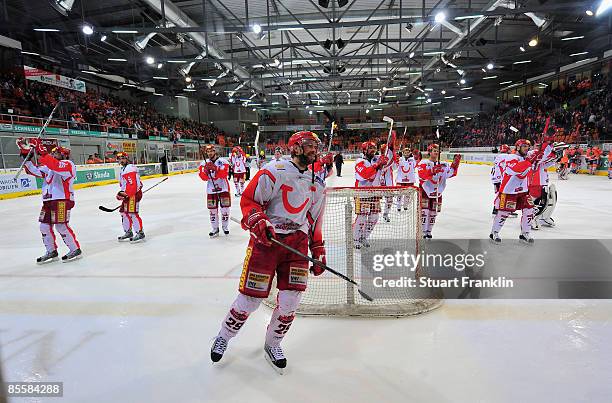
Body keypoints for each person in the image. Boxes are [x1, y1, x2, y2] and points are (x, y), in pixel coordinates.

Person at [210, 131, 326, 373]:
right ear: (294, 148)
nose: (314, 150)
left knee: (291, 301)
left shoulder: (318, 182)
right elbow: (250, 200)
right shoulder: (274, 171)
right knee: (250, 300)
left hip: (296, 245)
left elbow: (315, 221)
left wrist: (318, 248)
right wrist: (258, 220)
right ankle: (223, 336)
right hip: (267, 242)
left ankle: (273, 344)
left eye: (316, 145)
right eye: (308, 145)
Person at [18, 139, 82, 263]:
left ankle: (74, 249)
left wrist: (42, 152)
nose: (53, 155)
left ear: (64, 154)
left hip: (62, 200)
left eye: (56, 153)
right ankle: (51, 251)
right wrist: (26, 155)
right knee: (44, 226)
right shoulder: (49, 167)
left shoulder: (68, 164)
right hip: (48, 201)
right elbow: (33, 170)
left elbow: (56, 166)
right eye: (52, 153)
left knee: (61, 226)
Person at [489, 136, 553, 245]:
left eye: (528, 146)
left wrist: (548, 143)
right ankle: (494, 233)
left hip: (523, 191)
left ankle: (525, 234)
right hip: (509, 191)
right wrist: (529, 161)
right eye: (524, 146)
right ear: (518, 147)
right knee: (504, 213)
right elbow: (515, 169)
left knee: (529, 210)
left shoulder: (528, 156)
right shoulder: (510, 157)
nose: (527, 148)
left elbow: (543, 154)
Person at [417, 144, 461, 239]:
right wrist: (432, 171)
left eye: (437, 151)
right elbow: (421, 176)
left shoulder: (444, 164)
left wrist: (455, 164)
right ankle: (423, 231)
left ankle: (429, 231)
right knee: (425, 212)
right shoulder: (423, 163)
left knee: (433, 213)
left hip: (437, 192)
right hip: (425, 191)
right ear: (429, 152)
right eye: (434, 151)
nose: (436, 152)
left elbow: (450, 174)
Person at [353, 141, 390, 248]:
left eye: (374, 148)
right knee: (362, 218)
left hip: (374, 193)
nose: (373, 150)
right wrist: (377, 165)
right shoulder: (359, 161)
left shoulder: (377, 159)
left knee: (374, 217)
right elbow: (364, 174)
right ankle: (355, 238)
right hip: (362, 193)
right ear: (364, 150)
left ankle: (364, 236)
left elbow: (391, 163)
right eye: (370, 148)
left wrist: (389, 148)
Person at [199, 145, 231, 237]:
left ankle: (225, 227)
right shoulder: (203, 163)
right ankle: (215, 228)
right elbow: (203, 178)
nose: (209, 153)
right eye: (208, 152)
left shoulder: (223, 161)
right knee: (212, 211)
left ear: (215, 151)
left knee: (225, 209)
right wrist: (205, 171)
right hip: (211, 190)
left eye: (211, 151)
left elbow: (224, 174)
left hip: (223, 189)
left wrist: (215, 168)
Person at [116, 152, 145, 242]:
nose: (121, 160)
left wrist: (126, 195)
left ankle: (140, 232)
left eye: (123, 158)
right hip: (128, 194)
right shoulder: (124, 168)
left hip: (132, 195)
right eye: (119, 159)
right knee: (124, 213)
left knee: (132, 214)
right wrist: (123, 193)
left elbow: (132, 184)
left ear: (127, 158)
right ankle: (128, 231)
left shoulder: (129, 168)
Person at [490, 144, 512, 215]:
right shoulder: (505, 156)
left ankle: (499, 209)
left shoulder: (499, 156)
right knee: (502, 194)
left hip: (496, 179)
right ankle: (497, 209)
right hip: (499, 179)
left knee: (500, 194)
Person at [395, 146, 417, 211]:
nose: (406, 153)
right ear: (403, 153)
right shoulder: (399, 159)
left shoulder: (412, 160)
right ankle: (398, 206)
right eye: (405, 152)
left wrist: (415, 157)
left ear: (410, 153)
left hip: (410, 180)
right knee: (399, 194)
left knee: (408, 194)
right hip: (400, 179)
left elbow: (415, 165)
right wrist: (396, 159)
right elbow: (395, 166)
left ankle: (405, 205)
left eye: (408, 152)